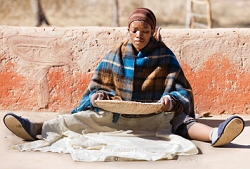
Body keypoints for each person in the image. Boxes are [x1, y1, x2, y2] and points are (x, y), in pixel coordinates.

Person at [3, 8, 244, 147]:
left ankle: (215, 135)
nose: (139, 35)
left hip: (156, 116)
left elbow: (182, 90)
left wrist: (171, 101)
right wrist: (99, 97)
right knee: (81, 119)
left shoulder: (164, 55)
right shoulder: (115, 55)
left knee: (182, 123)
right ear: (128, 31)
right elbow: (97, 87)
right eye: (134, 31)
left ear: (154, 32)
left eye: (145, 31)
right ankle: (32, 128)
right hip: (116, 116)